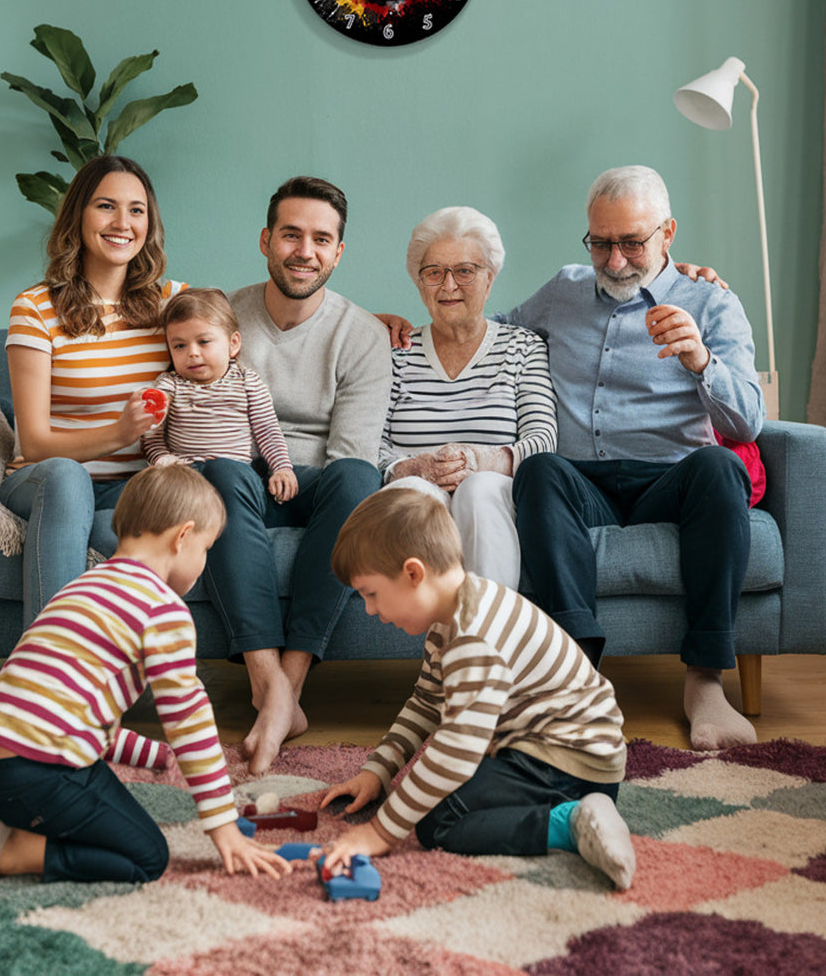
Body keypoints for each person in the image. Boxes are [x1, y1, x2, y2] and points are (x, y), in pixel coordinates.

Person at [0, 463, 289, 893]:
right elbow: (189, 721)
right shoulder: (162, 608)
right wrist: (223, 826)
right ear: (183, 536)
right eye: (206, 548)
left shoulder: (82, 587)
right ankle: (15, 851)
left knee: (86, 786)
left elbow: (67, 711)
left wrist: (150, 755)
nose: (203, 562)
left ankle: (19, 820)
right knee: (146, 855)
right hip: (35, 774)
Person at [508, 165, 764, 750]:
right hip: (582, 483)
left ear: (668, 233)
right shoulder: (562, 290)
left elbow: (748, 420)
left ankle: (704, 683)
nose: (615, 259)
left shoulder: (712, 303)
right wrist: (397, 330)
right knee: (539, 468)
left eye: (632, 242)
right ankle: (578, 678)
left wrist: (701, 360)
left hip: (671, 480)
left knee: (720, 467)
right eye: (601, 242)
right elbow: (489, 335)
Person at [319, 488, 635, 890]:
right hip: (555, 751)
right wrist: (378, 771)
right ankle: (572, 808)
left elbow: (455, 753)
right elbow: (426, 703)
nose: (370, 610)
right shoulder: (451, 617)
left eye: (371, 594)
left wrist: (380, 833)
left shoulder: (473, 637)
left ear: (413, 573)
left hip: (570, 763)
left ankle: (570, 822)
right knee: (431, 796)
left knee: (439, 822)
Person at [200, 176, 392, 775]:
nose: (303, 251)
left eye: (320, 239)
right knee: (225, 471)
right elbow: (200, 412)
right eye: (291, 234)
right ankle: (269, 689)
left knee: (358, 479)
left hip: (316, 484)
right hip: (241, 477)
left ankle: (290, 683)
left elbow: (351, 450)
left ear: (338, 252)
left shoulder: (362, 334)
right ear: (266, 240)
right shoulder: (224, 318)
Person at [0, 154, 186, 625]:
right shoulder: (36, 308)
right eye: (106, 206)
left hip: (132, 488)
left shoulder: (171, 303)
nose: (123, 223)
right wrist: (120, 432)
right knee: (67, 477)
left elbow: (250, 324)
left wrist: (365, 320)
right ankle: (47, 674)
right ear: (78, 216)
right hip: (45, 480)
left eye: (137, 210)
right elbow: (37, 443)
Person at [378, 205, 557, 588]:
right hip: (416, 490)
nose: (448, 286)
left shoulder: (522, 346)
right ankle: (443, 635)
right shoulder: (397, 352)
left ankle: (486, 639)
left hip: (494, 493)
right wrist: (414, 467)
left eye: (464, 271)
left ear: (490, 279)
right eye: (433, 273)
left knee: (477, 489)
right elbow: (368, 443)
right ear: (418, 282)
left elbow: (543, 441)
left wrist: (482, 460)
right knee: (415, 493)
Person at [141, 287, 298, 504]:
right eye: (179, 346)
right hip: (185, 479)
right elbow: (151, 436)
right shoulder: (169, 386)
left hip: (235, 476)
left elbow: (268, 431)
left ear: (233, 344)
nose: (192, 353)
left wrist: (281, 468)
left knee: (229, 476)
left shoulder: (247, 382)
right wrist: (163, 459)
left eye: (204, 342)